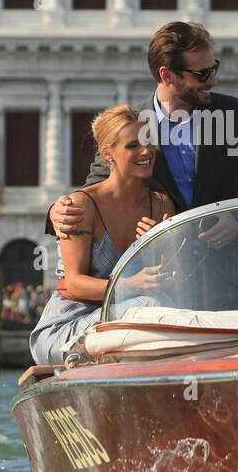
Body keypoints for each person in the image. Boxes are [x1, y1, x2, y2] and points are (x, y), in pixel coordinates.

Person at [48, 21, 238, 254]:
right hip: (165, 275)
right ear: (167, 76)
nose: (213, 80)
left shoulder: (234, 115)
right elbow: (95, 189)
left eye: (213, 69)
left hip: (236, 271)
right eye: (202, 74)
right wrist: (57, 213)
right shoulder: (129, 126)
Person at [31, 105, 177, 365]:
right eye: (133, 145)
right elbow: (74, 283)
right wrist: (132, 285)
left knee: (158, 305)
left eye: (148, 142)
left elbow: (166, 277)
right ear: (108, 155)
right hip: (67, 325)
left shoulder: (162, 204)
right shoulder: (81, 205)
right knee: (152, 305)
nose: (146, 151)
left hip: (130, 321)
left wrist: (163, 248)